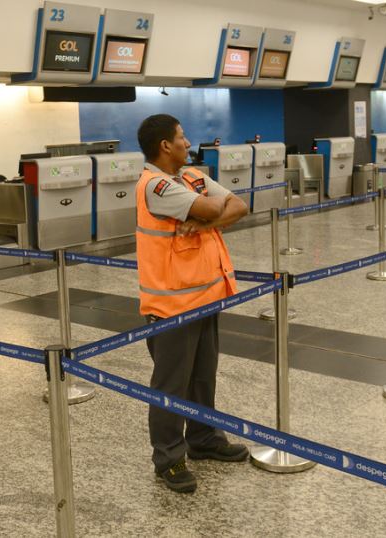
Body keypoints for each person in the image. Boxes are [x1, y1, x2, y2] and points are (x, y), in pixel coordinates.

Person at [135, 114, 249, 493]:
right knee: (171, 385)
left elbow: (239, 205)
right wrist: (210, 213)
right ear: (165, 146)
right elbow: (216, 208)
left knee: (202, 376)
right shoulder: (157, 187)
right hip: (172, 306)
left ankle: (203, 439)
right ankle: (168, 457)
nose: (188, 142)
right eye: (181, 137)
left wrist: (203, 223)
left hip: (205, 296)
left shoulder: (191, 178)